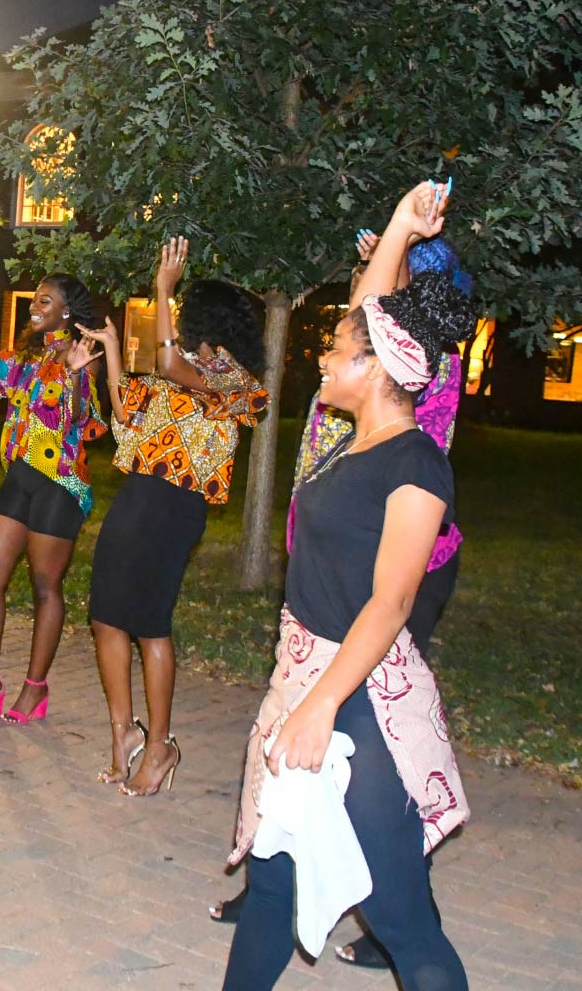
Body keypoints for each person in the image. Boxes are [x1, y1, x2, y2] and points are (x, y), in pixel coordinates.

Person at [220, 181, 475, 991]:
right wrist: (400, 224)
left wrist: (322, 706)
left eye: (336, 351)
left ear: (374, 370)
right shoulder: (346, 440)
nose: (322, 358)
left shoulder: (416, 466)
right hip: (306, 678)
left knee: (400, 914)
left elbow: (392, 604)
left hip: (358, 700)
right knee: (270, 887)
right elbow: (373, 320)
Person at [77, 238, 267, 795]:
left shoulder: (235, 383)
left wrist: (161, 288)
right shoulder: (175, 378)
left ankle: (161, 746)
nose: (177, 317)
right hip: (137, 495)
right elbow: (125, 411)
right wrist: (112, 349)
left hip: (176, 508)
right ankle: (124, 735)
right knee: (106, 616)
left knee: (150, 623)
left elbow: (165, 359)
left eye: (184, 309)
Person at [0, 272, 108, 723]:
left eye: (45, 300)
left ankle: (35, 690)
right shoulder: (21, 358)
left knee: (44, 586)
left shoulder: (84, 356)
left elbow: (78, 417)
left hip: (60, 482)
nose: (35, 306)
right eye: (35, 299)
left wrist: (74, 373)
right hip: (19, 476)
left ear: (66, 312)